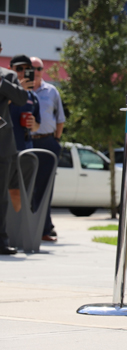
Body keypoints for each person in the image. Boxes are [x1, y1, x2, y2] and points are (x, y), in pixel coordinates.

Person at [28, 57, 65, 243]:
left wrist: (56, 140)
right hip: (26, 142)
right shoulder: (20, 91)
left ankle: (44, 229)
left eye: (39, 68)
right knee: (25, 187)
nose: (35, 72)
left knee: (45, 188)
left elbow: (60, 119)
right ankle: (23, 228)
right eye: (31, 68)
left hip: (47, 142)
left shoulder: (51, 91)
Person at [0, 40, 28, 255]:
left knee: (1, 196)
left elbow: (21, 98)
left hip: (3, 147)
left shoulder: (7, 76)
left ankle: (1, 241)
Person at [7, 56, 39, 214]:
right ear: (10, 69)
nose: (22, 73)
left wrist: (34, 124)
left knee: (19, 193)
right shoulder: (4, 92)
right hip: (5, 150)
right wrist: (16, 91)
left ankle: (11, 234)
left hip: (25, 151)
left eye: (27, 69)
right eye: (19, 69)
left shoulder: (33, 97)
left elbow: (38, 123)